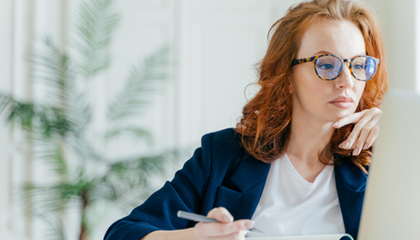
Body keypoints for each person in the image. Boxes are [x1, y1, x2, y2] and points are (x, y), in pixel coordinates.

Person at [104, 0, 388, 239]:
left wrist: (400, 142)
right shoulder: (225, 154)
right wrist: (191, 237)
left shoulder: (383, 161)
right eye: (326, 65)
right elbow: (122, 233)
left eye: (359, 65)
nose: (347, 81)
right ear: (286, 76)